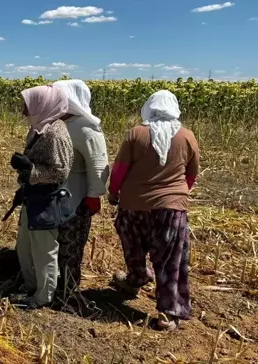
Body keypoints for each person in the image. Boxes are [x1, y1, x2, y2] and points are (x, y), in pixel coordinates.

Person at [108, 90, 199, 331]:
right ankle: (169, 314)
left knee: (133, 248)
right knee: (171, 260)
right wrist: (178, 195)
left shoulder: (136, 134)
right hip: (171, 210)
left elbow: (119, 169)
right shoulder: (187, 136)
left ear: (149, 108)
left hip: (133, 205)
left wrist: (113, 192)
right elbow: (191, 174)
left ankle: (135, 278)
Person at [10, 84, 75, 309]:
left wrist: (30, 169)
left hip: (46, 200)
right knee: (25, 247)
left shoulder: (55, 132)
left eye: (27, 105)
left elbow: (61, 171)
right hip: (34, 197)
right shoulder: (41, 127)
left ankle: (42, 297)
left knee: (44, 251)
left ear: (43, 105)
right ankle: (31, 287)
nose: (23, 110)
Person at [52, 80, 110, 294]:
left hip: (75, 197)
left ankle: (68, 287)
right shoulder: (59, 122)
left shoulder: (86, 128)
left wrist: (94, 195)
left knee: (71, 244)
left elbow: (98, 164)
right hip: (53, 194)